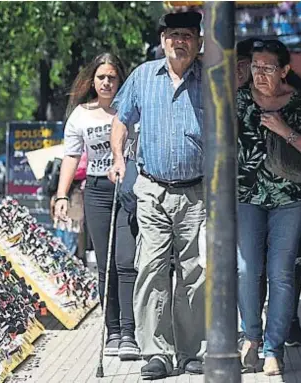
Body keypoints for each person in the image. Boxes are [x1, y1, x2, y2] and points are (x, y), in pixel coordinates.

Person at [109, 11, 206, 378]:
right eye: (172, 35)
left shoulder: (210, 81)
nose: (178, 41)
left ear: (198, 41)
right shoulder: (142, 76)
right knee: (150, 267)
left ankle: (192, 351)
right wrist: (119, 159)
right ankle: (157, 353)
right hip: (151, 187)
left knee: (196, 272)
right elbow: (121, 119)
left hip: (197, 191)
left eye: (186, 35)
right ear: (163, 39)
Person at [236, 39, 301, 376]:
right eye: (255, 67)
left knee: (281, 272)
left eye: (267, 68)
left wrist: (284, 130)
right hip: (247, 197)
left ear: (285, 70)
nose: (259, 74)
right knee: (247, 268)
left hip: (290, 199)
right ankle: (251, 336)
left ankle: (273, 348)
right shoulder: (239, 100)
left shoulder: (300, 104)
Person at [53, 53, 141, 361]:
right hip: (97, 192)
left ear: (121, 80)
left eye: (112, 77)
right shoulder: (81, 114)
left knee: (126, 259)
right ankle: (112, 330)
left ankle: (130, 331)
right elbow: (71, 156)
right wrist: (62, 194)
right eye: (101, 77)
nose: (106, 82)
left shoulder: (130, 109)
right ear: (93, 80)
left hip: (128, 189)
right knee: (105, 263)